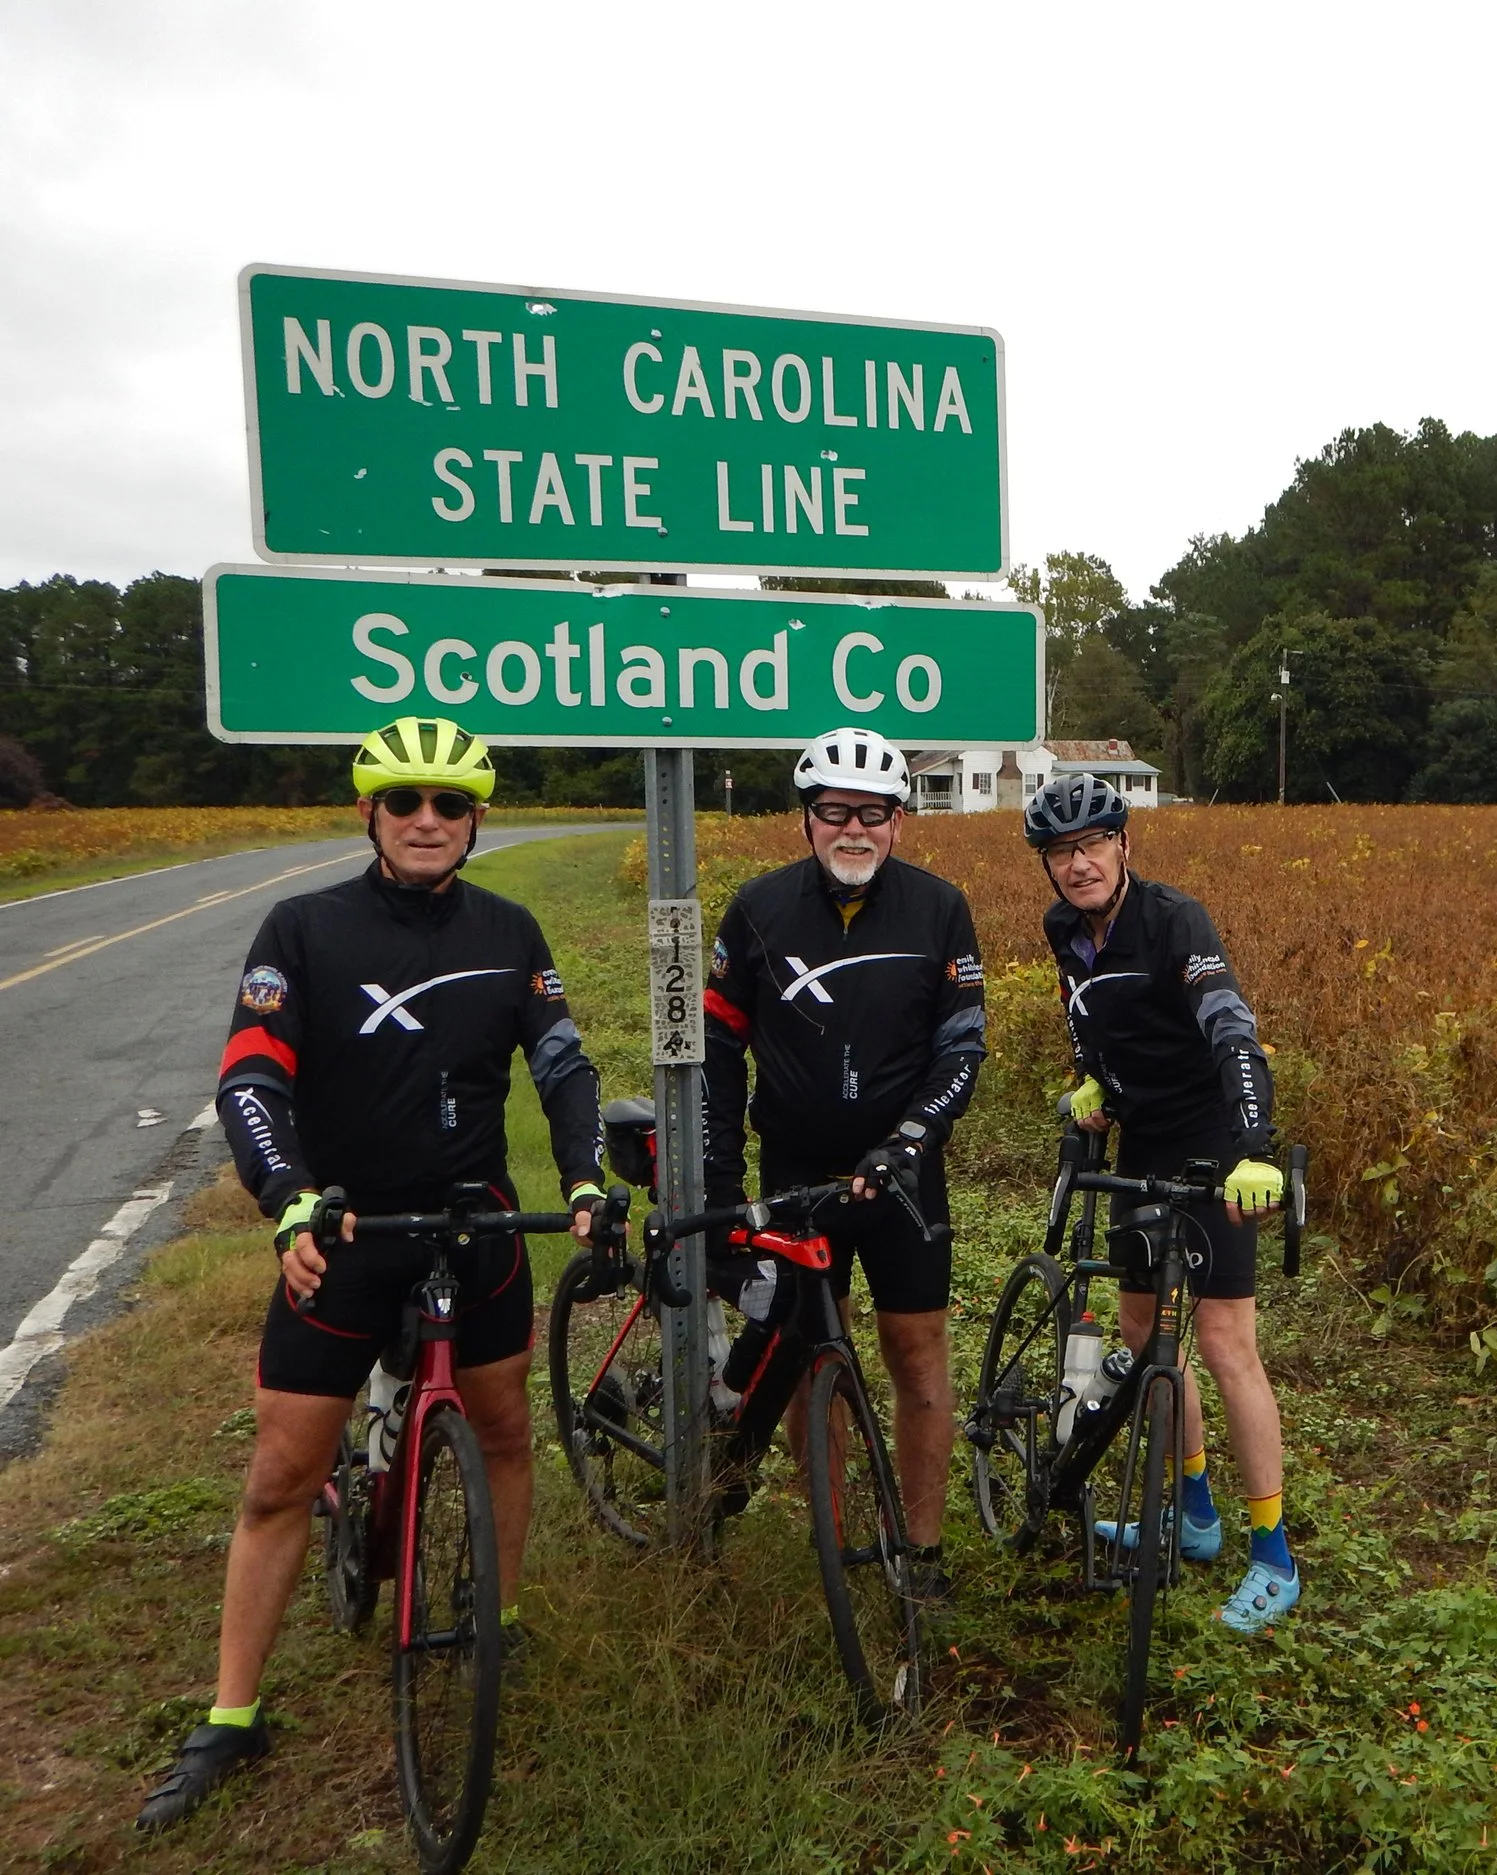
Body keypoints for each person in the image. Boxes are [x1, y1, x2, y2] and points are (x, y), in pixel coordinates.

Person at [139, 717, 606, 1833]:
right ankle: (233, 1715)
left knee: (500, 1434)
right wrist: (287, 1194)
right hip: (342, 1230)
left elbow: (564, 1063)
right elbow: (252, 1077)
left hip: (475, 1222)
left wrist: (586, 1178)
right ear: (371, 812)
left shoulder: (509, 927)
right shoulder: (304, 927)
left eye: (450, 803)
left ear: (477, 816)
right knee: (279, 1477)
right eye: (406, 802)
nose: (429, 820)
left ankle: (488, 1616)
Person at [701, 726, 984, 1591]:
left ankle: (921, 1549)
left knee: (917, 1352)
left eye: (872, 813)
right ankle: (834, 1532)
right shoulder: (756, 909)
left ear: (900, 821)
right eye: (834, 812)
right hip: (795, 1171)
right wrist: (716, 1180)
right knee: (802, 1345)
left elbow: (963, 1047)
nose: (853, 829)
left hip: (901, 1173)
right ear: (806, 819)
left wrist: (910, 1137)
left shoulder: (940, 908)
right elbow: (716, 1053)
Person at [1026, 771, 1299, 1632]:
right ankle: (1193, 1512)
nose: (1080, 864)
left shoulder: (1175, 920)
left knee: (1225, 1343)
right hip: (1140, 1139)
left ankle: (1273, 1552)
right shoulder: (1062, 930)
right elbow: (1089, 1023)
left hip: (1216, 1141)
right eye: (1062, 851)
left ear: (1124, 845)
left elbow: (1230, 1025)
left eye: (1093, 844)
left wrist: (1253, 1150)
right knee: (1144, 1331)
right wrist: (1090, 1082)